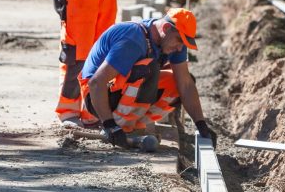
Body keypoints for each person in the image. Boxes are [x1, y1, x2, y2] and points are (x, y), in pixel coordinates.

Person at [80, 8, 217, 148]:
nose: (179, 48)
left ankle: (134, 124)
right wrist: (110, 126)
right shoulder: (132, 39)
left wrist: (201, 125)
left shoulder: (172, 43)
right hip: (96, 98)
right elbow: (96, 83)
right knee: (149, 68)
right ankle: (121, 125)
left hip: (117, 92)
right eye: (179, 40)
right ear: (166, 28)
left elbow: (186, 85)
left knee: (179, 83)